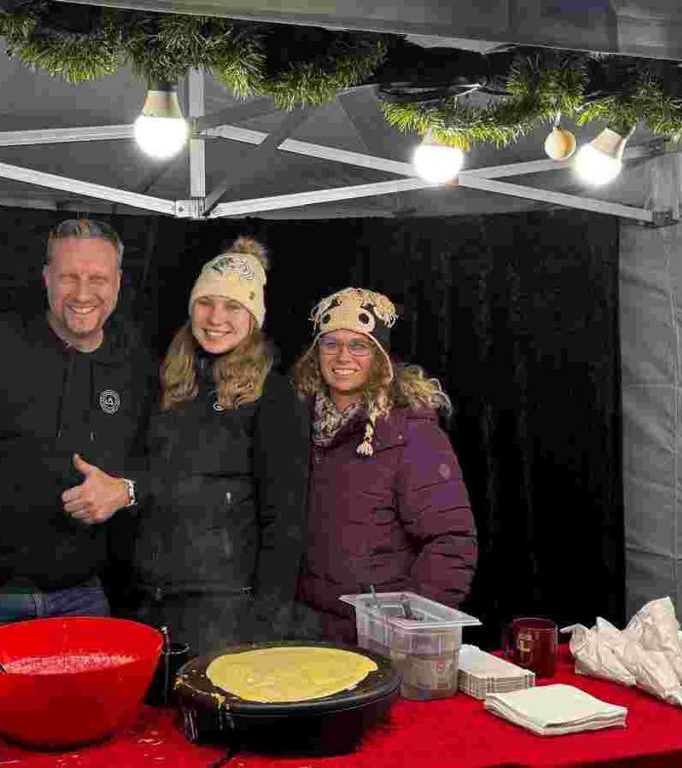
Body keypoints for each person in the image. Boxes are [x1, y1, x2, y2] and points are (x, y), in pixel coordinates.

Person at [0, 218, 152, 709]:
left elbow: (162, 464)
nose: (83, 292)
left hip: (80, 601)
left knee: (81, 753)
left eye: (98, 278)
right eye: (68, 277)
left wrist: (126, 490)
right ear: (46, 279)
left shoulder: (136, 365)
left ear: (119, 283)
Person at [86, 237, 311, 657]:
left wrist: (266, 622)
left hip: (227, 608)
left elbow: (285, 521)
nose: (216, 318)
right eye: (206, 302)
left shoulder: (275, 397)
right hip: (148, 599)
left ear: (254, 318)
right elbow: (147, 478)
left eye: (232, 307)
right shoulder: (166, 383)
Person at [293, 287, 478, 643]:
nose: (342, 356)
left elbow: (452, 541)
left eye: (359, 345)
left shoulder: (409, 431)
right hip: (305, 634)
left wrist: (401, 629)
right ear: (316, 354)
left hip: (373, 639)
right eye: (330, 344)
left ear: (379, 356)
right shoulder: (295, 424)